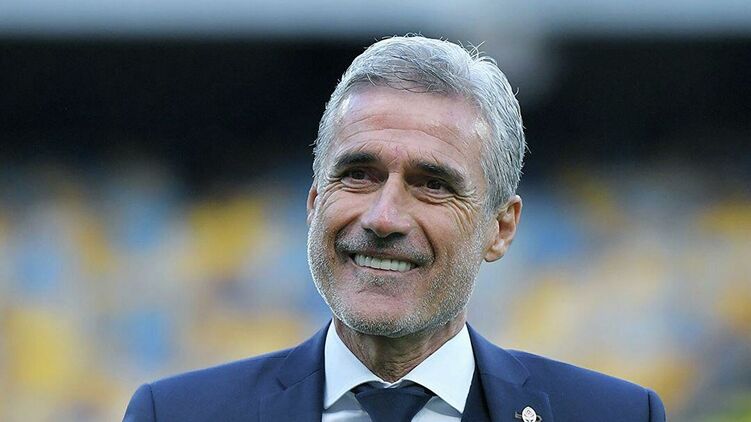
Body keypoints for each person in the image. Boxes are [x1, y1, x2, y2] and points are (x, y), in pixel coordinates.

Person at [123, 35, 666, 422]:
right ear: (314, 202)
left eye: (433, 184)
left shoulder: (615, 415)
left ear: (500, 228)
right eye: (358, 175)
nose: (383, 217)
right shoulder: (173, 414)